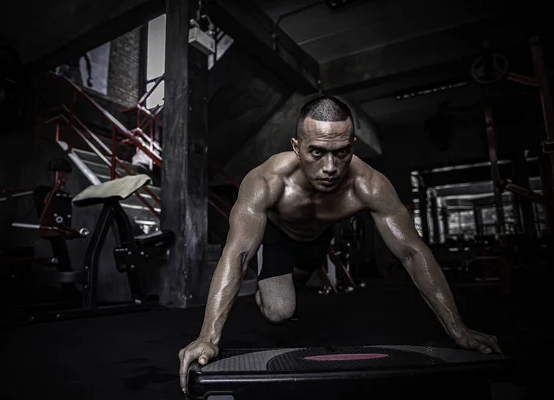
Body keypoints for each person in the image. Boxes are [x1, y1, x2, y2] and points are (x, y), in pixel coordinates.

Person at [178, 96, 502, 392]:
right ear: (296, 146)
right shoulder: (267, 182)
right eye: (316, 151)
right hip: (278, 240)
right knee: (279, 311)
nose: (330, 168)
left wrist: (458, 328)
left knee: (298, 285)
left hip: (319, 242)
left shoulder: (369, 185)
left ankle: (290, 279)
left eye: (342, 152)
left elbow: (412, 252)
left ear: (353, 146)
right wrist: (208, 337)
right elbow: (238, 252)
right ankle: (269, 285)